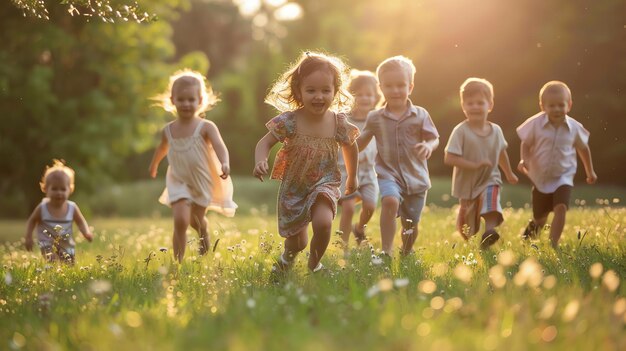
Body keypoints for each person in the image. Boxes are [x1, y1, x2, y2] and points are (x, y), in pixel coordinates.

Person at [253, 51, 359, 273]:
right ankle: (286, 261)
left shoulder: (338, 123)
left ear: (335, 91)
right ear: (298, 92)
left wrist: (352, 176)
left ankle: (314, 263)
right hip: (295, 187)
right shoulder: (290, 121)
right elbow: (264, 143)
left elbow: (350, 146)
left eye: (325, 90)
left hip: (325, 181)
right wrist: (260, 161)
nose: (318, 96)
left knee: (323, 222)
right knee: (296, 243)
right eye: (311, 90)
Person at [149, 69, 237, 262]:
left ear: (200, 100)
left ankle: (203, 232)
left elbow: (219, 146)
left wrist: (225, 163)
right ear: (172, 100)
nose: (186, 104)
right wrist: (154, 164)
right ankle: (178, 262)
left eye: (191, 99)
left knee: (196, 221)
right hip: (178, 179)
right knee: (180, 220)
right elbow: (162, 148)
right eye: (181, 99)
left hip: (201, 181)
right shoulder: (168, 130)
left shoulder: (206, 127)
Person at [356, 56, 439, 257]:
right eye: (389, 86)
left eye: (400, 85)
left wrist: (428, 146)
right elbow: (361, 142)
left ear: (410, 87)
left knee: (410, 224)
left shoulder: (420, 114)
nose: (395, 91)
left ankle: (406, 250)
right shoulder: (375, 118)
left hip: (416, 177)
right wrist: (343, 154)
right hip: (388, 174)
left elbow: (434, 137)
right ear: (381, 87)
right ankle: (386, 250)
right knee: (390, 201)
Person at [517, 80, 597, 248]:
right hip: (540, 177)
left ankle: (553, 244)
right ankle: (527, 238)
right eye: (551, 106)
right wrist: (524, 159)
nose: (557, 109)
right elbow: (525, 142)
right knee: (540, 217)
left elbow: (583, 148)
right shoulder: (535, 124)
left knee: (561, 207)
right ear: (542, 106)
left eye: (561, 105)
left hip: (563, 176)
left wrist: (590, 171)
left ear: (569, 105)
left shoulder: (574, 127)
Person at [444, 78, 518, 249]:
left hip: (490, 179)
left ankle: (490, 231)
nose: (475, 107)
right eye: (470, 103)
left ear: (490, 105)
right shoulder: (461, 131)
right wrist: (474, 164)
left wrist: (508, 173)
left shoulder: (496, 130)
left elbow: (501, 152)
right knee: (468, 229)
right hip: (467, 185)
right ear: (463, 106)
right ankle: (473, 233)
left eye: (480, 102)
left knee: (491, 201)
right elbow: (449, 158)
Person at [337, 70, 381, 253]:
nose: (364, 98)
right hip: (346, 170)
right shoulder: (345, 119)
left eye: (369, 94)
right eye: (359, 94)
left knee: (370, 206)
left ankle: (359, 228)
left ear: (376, 97)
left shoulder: (378, 119)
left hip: (370, 172)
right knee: (347, 207)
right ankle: (343, 246)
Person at [24, 160, 93, 264]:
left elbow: (80, 221)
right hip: (47, 243)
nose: (59, 192)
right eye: (54, 189)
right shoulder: (42, 207)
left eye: (63, 189)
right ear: (45, 188)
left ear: (70, 189)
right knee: (51, 261)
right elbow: (32, 221)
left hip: (66, 244)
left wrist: (86, 232)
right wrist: (28, 237)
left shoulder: (72, 207)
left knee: (69, 265)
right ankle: (50, 276)